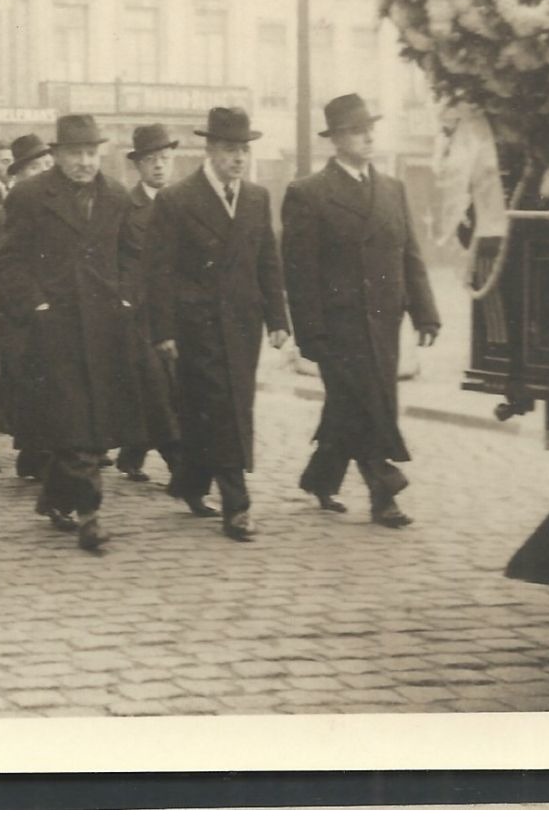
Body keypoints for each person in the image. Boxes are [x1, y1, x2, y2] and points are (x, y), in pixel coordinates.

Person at [282, 93, 441, 529]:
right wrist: (310, 335)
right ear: (335, 140)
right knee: (367, 404)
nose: (368, 136)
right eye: (357, 130)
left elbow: (410, 255)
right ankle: (384, 492)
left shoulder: (392, 189)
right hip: (339, 328)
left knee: (350, 408)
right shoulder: (309, 194)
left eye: (370, 127)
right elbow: (300, 273)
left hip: (384, 323)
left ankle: (320, 477)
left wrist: (425, 313)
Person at [0, 114, 146, 552]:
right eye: (75, 153)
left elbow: (134, 256)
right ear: (56, 155)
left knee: (88, 425)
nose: (84, 162)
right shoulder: (30, 196)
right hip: (53, 326)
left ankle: (55, 497)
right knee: (75, 422)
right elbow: (8, 262)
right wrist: (34, 304)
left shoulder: (117, 196)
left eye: (91, 153)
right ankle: (91, 516)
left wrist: (127, 298)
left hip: (104, 326)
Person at [147, 108, 291, 541]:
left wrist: (277, 319)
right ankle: (237, 504)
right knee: (223, 407)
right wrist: (164, 329)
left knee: (217, 409)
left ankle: (190, 483)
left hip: (243, 325)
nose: (238, 158)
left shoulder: (256, 198)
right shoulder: (177, 200)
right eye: (229, 149)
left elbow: (268, 261)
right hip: (197, 324)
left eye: (244, 150)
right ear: (209, 150)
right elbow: (160, 272)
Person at [0, 132, 53, 480]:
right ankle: (33, 450)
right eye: (35, 167)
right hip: (15, 315)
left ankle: (43, 452)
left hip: (50, 310)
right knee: (25, 383)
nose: (43, 173)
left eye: (47, 166)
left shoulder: (58, 211)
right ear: (17, 174)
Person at [114, 124, 185, 486]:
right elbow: (115, 259)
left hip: (176, 311)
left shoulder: (182, 203)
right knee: (158, 388)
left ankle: (132, 452)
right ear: (138, 166)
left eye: (165, 159)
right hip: (139, 313)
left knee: (170, 386)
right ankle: (180, 467)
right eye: (151, 160)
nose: (159, 166)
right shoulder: (126, 207)